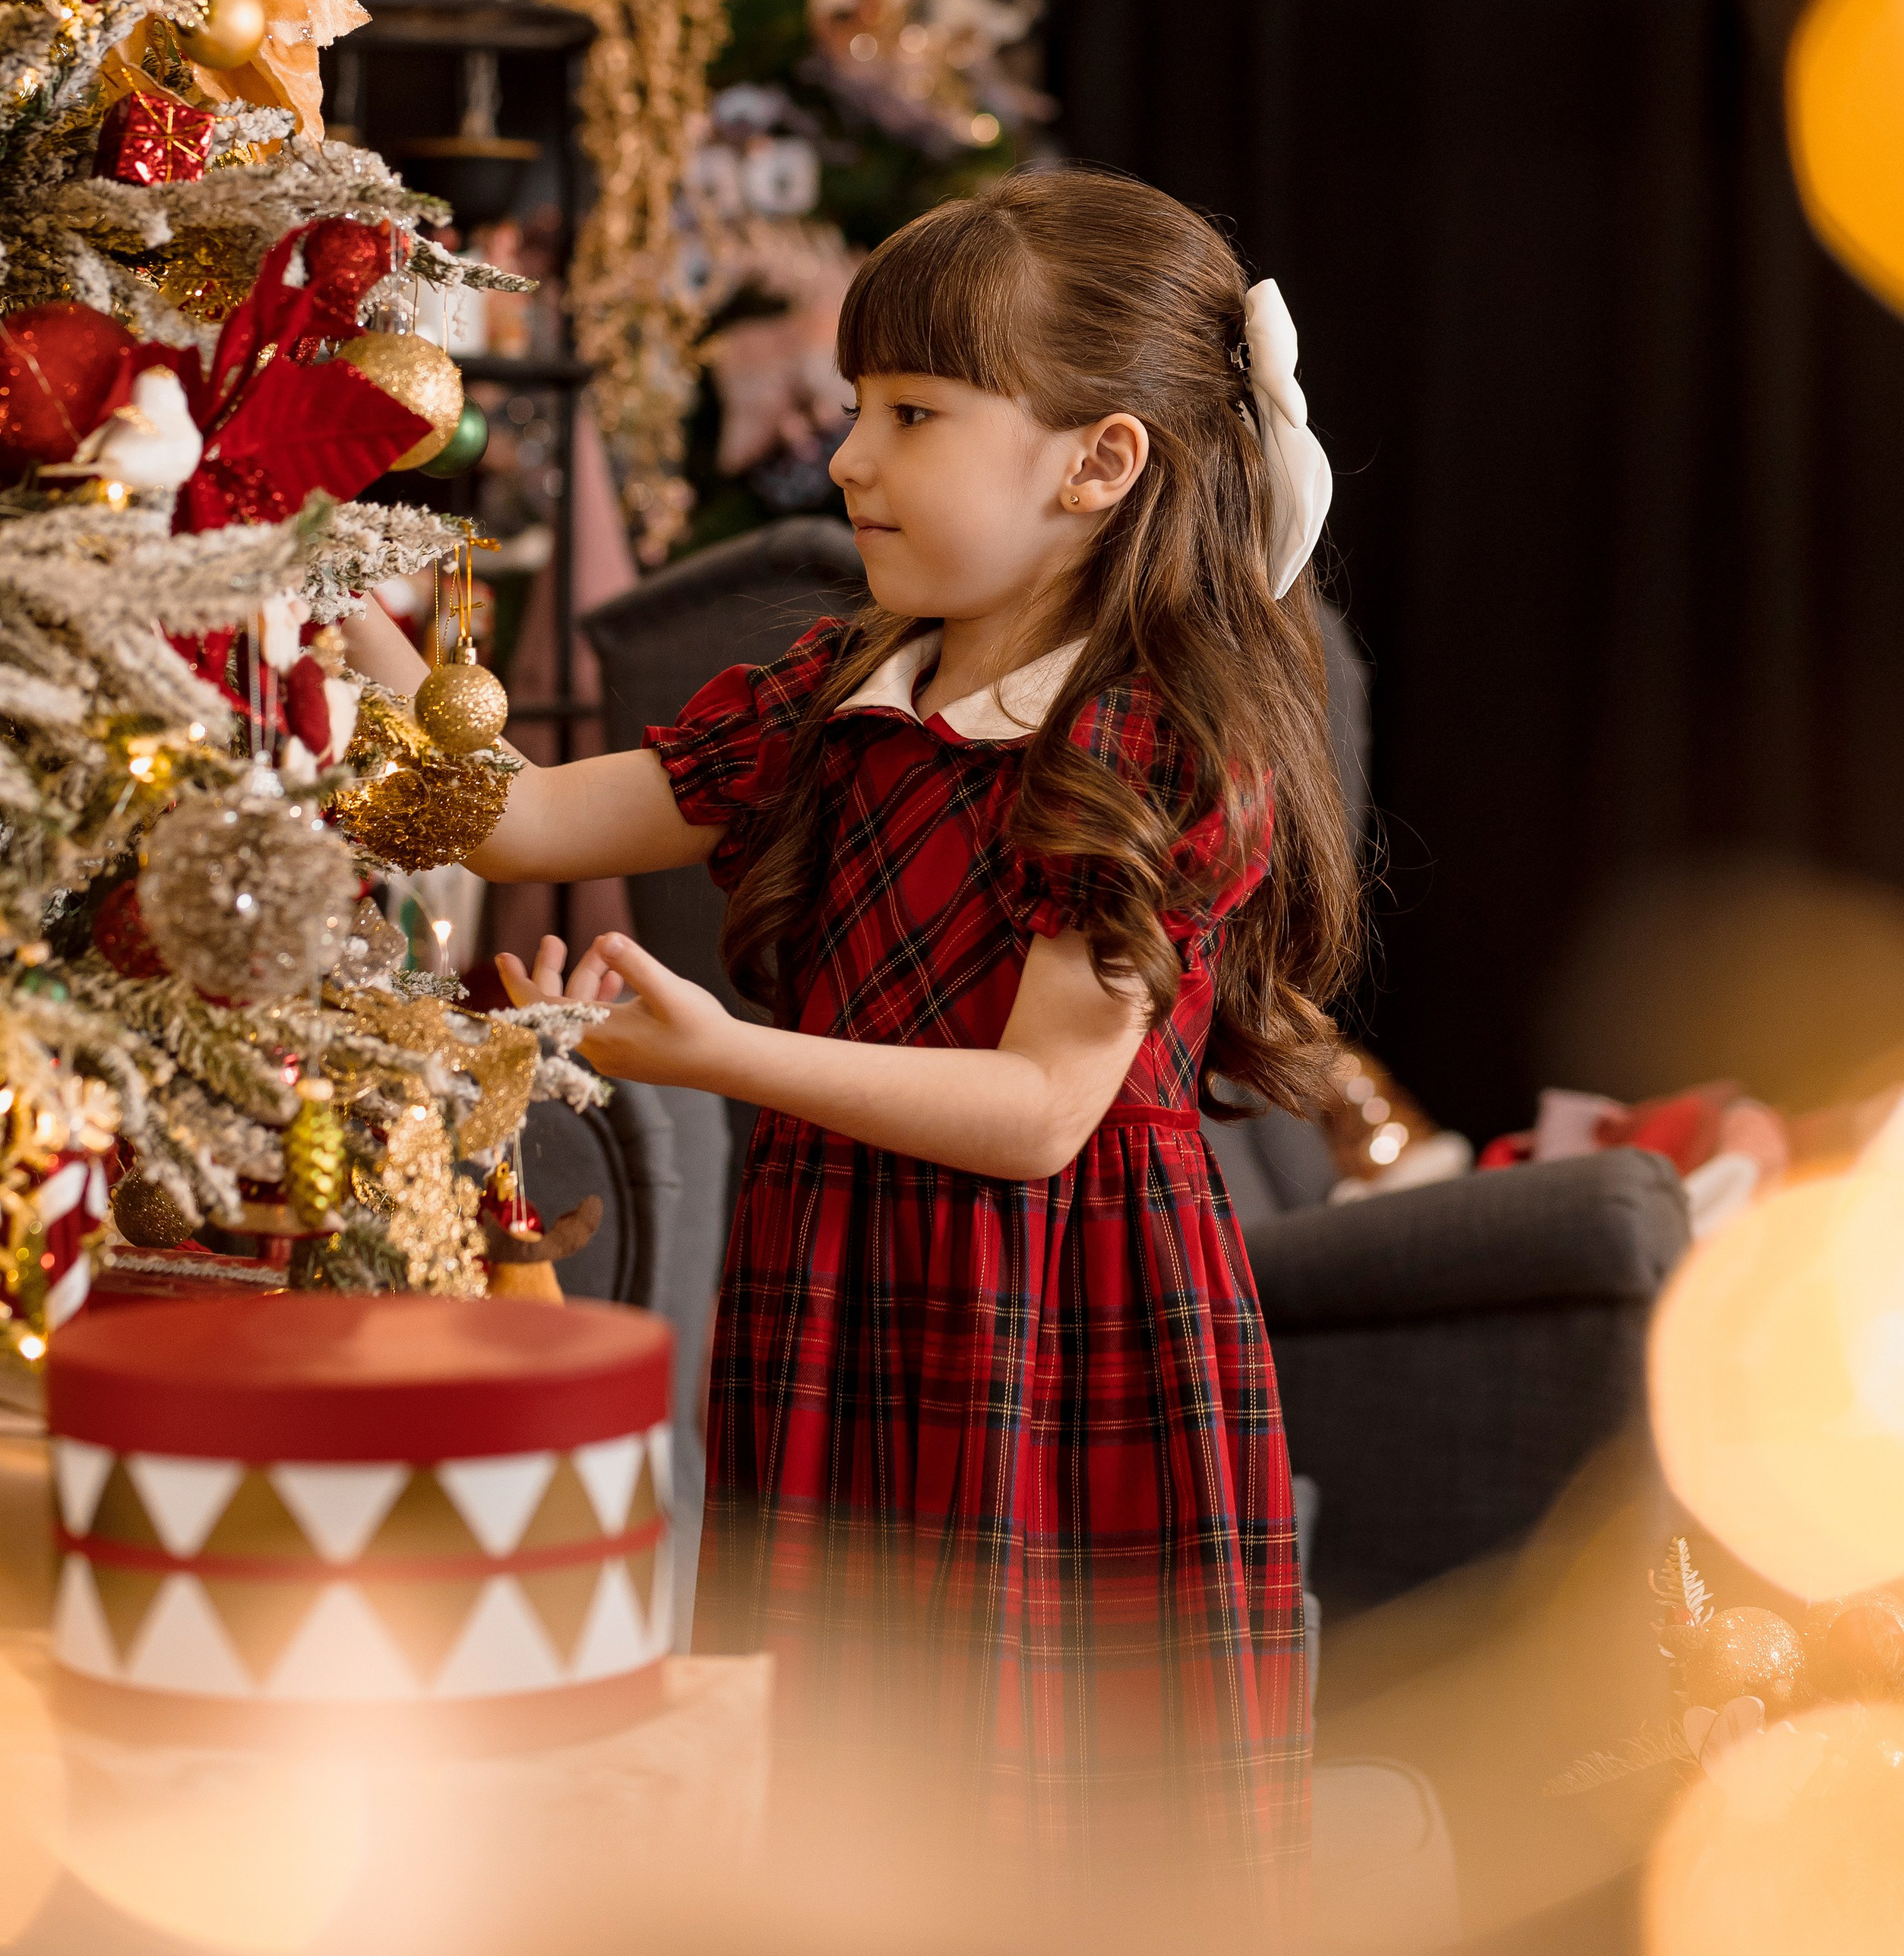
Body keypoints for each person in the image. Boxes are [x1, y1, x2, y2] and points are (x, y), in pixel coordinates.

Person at [343, 166, 1356, 1875]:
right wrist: (325, 598)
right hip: (836, 1284)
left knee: (1040, 1829)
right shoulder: (829, 691)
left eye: (911, 413)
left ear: (1098, 463)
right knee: (829, 1802)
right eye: (850, 408)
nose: (846, 461)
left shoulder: (1144, 743)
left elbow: (1041, 1109)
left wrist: (720, 1058)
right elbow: (509, 821)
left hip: (1059, 1318)